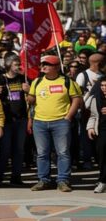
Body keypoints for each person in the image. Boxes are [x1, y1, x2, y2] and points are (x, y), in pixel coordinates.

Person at [28, 55, 83, 192]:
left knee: (63, 153)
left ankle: (63, 180)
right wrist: (28, 94)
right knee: (42, 153)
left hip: (60, 122)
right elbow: (31, 101)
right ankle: (43, 180)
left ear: (57, 67)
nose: (44, 67)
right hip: (40, 122)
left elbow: (76, 99)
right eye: (43, 64)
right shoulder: (37, 81)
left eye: (48, 64)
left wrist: (68, 117)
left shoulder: (67, 81)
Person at [0, 55, 29, 186]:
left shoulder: (23, 79)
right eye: (15, 64)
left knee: (19, 150)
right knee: (4, 149)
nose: (18, 67)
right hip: (5, 120)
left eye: (19, 64)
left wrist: (29, 90)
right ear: (8, 65)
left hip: (21, 119)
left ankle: (16, 177)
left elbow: (32, 96)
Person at [85, 79, 106, 193]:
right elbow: (93, 115)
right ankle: (102, 180)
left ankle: (103, 180)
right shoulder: (96, 98)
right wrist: (90, 127)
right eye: (102, 85)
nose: (104, 88)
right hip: (101, 131)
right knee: (101, 156)